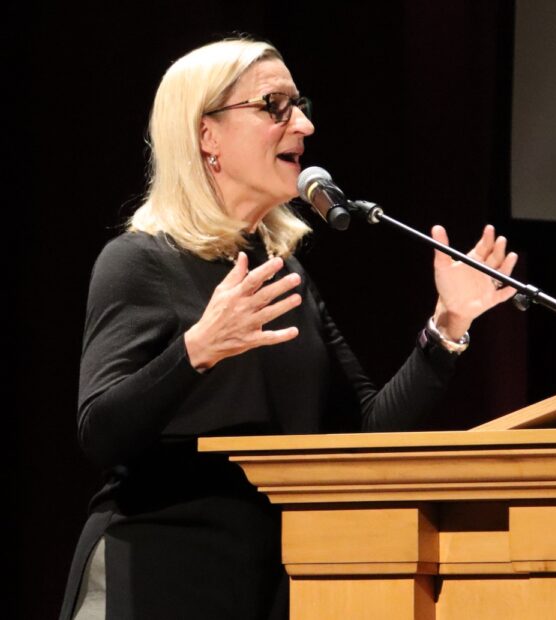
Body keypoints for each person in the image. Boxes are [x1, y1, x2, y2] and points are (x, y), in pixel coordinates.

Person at [60, 37, 518, 620]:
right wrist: (197, 350)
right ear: (207, 135)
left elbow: (359, 436)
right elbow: (99, 432)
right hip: (155, 572)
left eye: (298, 104)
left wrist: (447, 327)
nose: (301, 124)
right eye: (274, 105)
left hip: (266, 582)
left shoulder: (284, 273)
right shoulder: (139, 261)